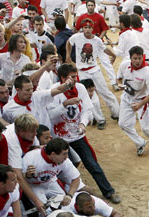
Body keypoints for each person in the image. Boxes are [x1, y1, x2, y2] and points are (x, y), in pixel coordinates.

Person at [48, 63, 121, 204]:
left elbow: (87, 108)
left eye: (76, 77)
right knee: (63, 168)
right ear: (62, 78)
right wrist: (64, 105)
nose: (75, 80)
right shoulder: (54, 91)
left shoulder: (80, 88)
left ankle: (109, 191)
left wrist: (83, 123)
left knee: (92, 164)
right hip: (60, 137)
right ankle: (71, 195)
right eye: (71, 77)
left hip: (77, 134)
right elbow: (50, 115)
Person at [66, 18, 120, 120]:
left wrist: (113, 55)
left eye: (89, 27)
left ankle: (117, 113)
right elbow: (69, 43)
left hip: (95, 70)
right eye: (85, 27)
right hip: (82, 72)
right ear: (82, 28)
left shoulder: (97, 40)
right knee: (90, 96)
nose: (87, 30)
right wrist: (68, 55)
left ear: (93, 28)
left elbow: (104, 49)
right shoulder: (76, 37)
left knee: (105, 92)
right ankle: (99, 119)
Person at [117, 46, 149, 157]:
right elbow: (119, 78)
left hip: (142, 100)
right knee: (123, 123)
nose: (138, 61)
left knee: (146, 128)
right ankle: (140, 143)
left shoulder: (147, 72)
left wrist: (139, 105)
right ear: (130, 58)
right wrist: (120, 84)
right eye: (135, 58)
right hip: (127, 98)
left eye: (140, 58)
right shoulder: (124, 65)